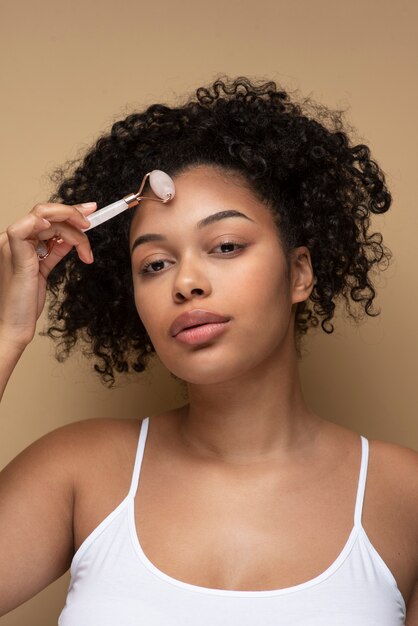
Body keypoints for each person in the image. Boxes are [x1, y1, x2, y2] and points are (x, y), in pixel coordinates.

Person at [0, 76, 416, 625]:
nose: (186, 282)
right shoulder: (77, 471)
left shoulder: (403, 495)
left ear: (298, 273)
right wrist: (7, 331)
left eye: (224, 246)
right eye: (155, 263)